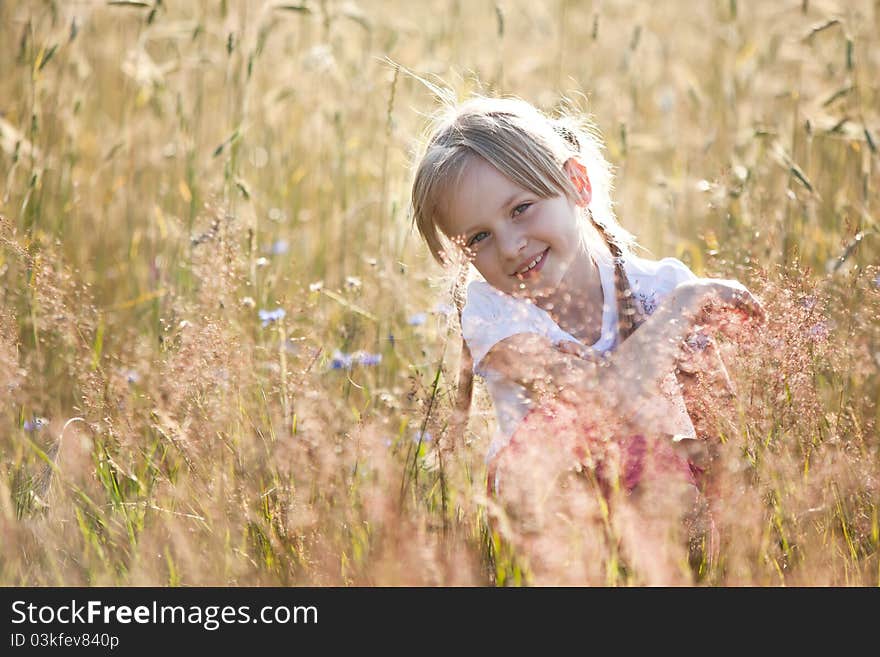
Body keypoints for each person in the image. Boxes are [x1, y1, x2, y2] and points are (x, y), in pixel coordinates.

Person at [409, 95, 765, 585]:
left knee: (672, 463)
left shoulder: (656, 287)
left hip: (662, 486)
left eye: (521, 209)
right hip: (546, 503)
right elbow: (605, 398)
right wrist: (682, 309)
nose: (511, 245)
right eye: (478, 238)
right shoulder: (493, 310)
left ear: (576, 183)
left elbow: (719, 421)